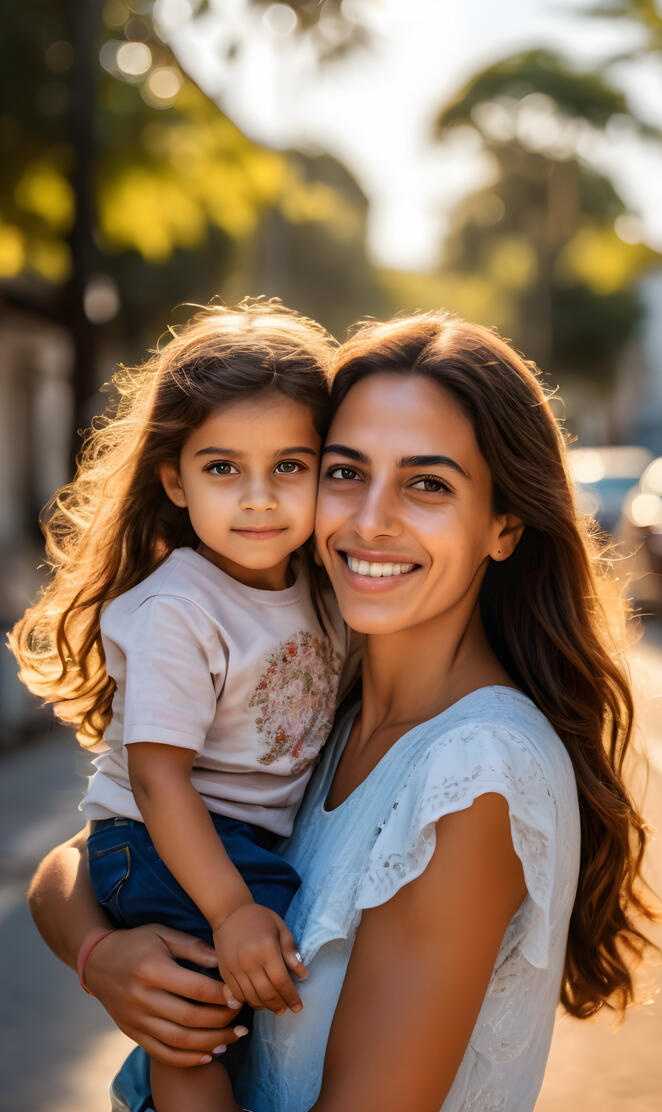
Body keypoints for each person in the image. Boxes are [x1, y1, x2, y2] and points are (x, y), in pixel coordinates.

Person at [26, 311, 654, 1111]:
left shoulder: (474, 777)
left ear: (503, 525)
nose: (369, 520)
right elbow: (81, 858)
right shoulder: (325, 698)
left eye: (428, 483)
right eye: (345, 472)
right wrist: (103, 960)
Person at [9, 299, 358, 1112]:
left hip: (225, 842)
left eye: (291, 466)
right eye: (223, 468)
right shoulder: (182, 608)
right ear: (175, 478)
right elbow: (160, 779)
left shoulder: (318, 588)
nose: (259, 499)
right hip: (159, 840)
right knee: (197, 1018)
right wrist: (231, 909)